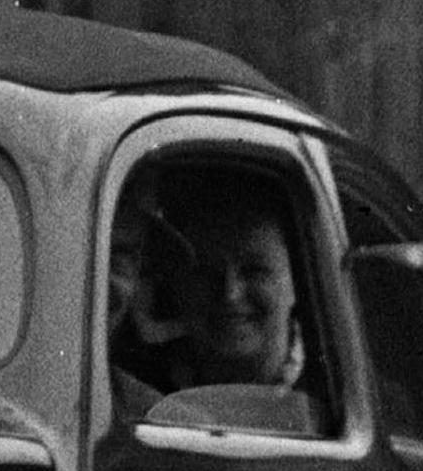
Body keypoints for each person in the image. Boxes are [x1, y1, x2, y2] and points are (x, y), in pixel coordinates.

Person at [110, 173, 310, 420]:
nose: (230, 294)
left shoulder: (336, 392)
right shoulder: (130, 389)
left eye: (255, 271)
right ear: (178, 282)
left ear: (297, 280)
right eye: (206, 272)